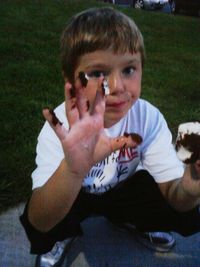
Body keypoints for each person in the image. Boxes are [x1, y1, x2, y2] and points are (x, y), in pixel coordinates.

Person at [20, 7, 200, 267]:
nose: (116, 86)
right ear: (71, 79)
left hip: (121, 191)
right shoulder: (59, 129)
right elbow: (39, 220)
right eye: (96, 73)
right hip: (75, 196)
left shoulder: (147, 118)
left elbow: (174, 194)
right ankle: (63, 235)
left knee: (183, 206)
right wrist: (72, 171)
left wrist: (190, 189)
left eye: (129, 69)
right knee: (48, 204)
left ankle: (134, 220)